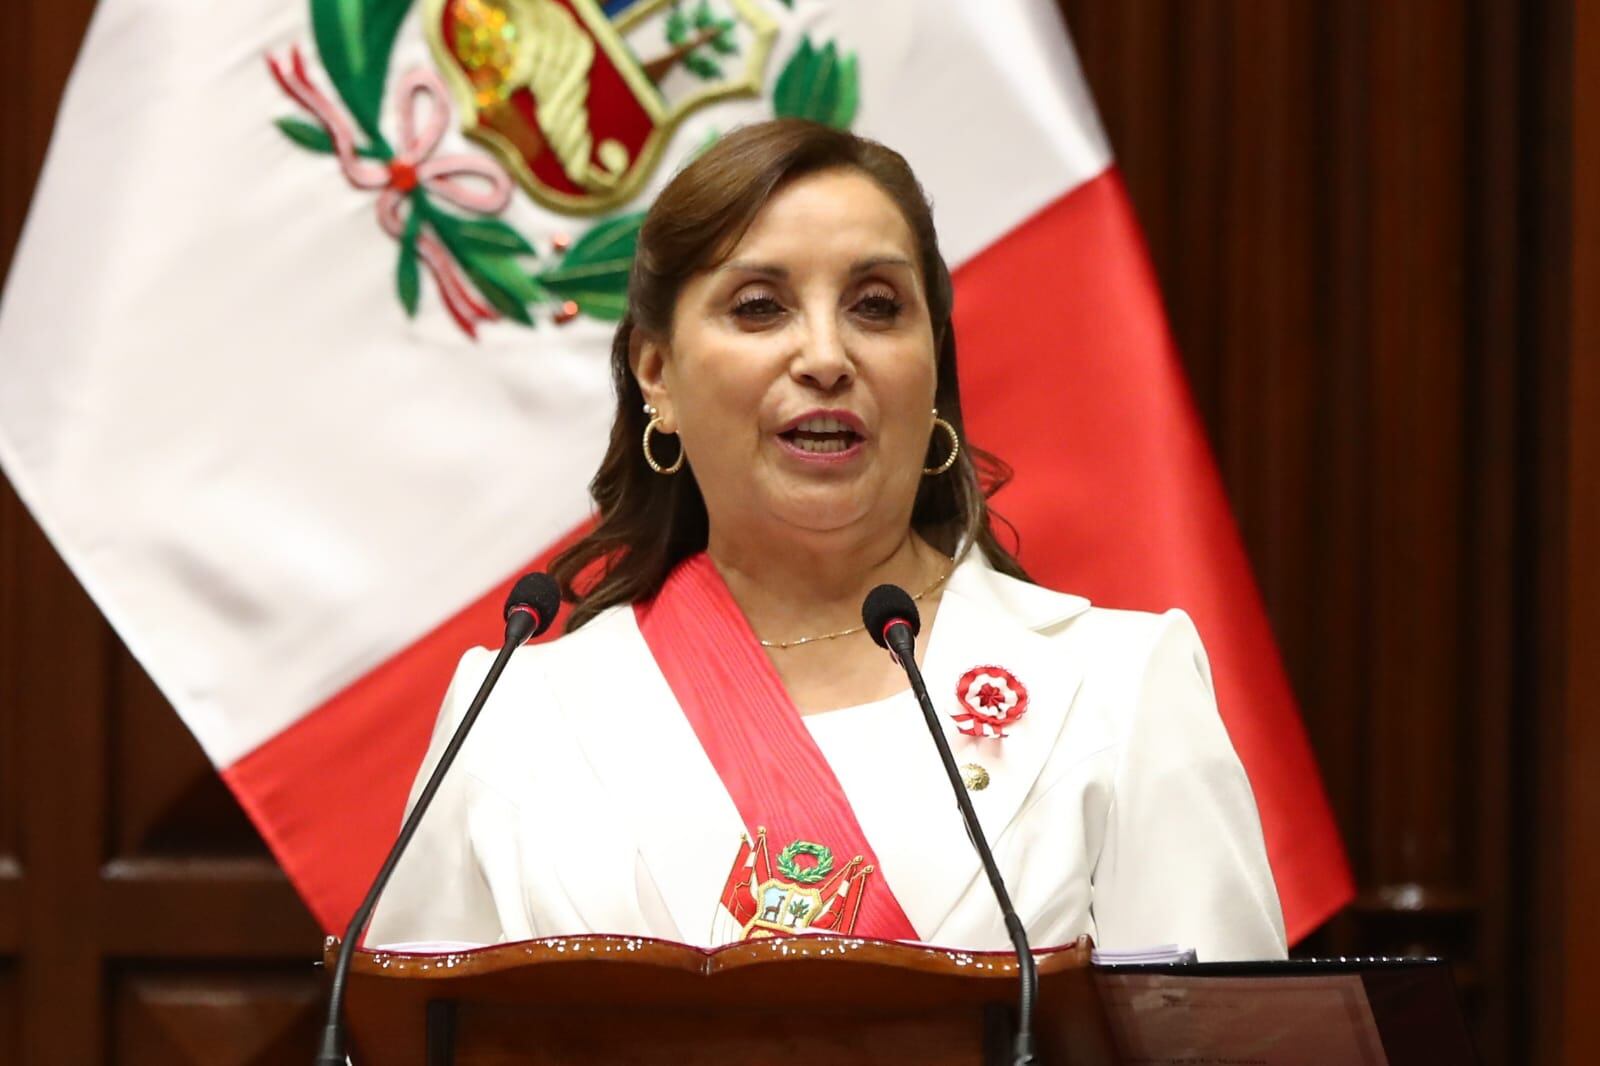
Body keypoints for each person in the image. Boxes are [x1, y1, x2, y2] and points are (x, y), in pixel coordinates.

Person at [366, 119, 1287, 961]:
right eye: (760, 306)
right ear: (658, 373)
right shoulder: (515, 714)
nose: (825, 356)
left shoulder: (1119, 689)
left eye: (877, 306)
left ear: (933, 368)